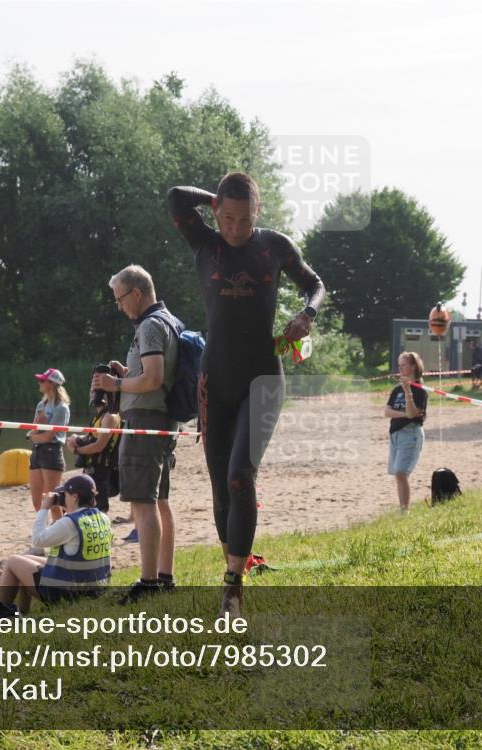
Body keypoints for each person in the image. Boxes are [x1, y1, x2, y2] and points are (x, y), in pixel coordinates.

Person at [167, 173, 325, 616]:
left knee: (241, 475)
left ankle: (232, 588)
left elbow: (315, 285)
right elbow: (176, 197)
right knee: (221, 486)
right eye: (227, 218)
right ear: (216, 211)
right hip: (213, 382)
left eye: (244, 219)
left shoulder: (274, 247)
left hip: (263, 379)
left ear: (259, 213)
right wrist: (215, 198)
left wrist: (306, 314)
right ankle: (233, 564)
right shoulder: (206, 244)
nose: (235, 229)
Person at [91, 265, 179, 603]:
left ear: (136, 294)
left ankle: (149, 582)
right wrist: (128, 374)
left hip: (146, 420)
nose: (119, 306)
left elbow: (154, 379)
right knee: (159, 501)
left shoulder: (150, 325)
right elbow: (154, 375)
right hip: (161, 419)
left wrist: (116, 384)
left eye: (120, 299)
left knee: (143, 503)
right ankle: (164, 576)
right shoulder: (167, 321)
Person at [0, 474, 110, 620]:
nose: (63, 497)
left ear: (75, 496)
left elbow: (38, 540)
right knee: (25, 560)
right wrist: (56, 510)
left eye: (65, 494)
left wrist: (44, 508)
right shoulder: (102, 518)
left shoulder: (71, 523)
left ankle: (0, 610)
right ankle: (22, 611)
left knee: (13, 561)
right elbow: (65, 537)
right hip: (95, 588)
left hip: (68, 592)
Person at [384, 352, 428, 514]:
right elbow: (387, 411)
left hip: (411, 434)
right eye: (399, 365)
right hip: (395, 433)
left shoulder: (420, 391)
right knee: (397, 473)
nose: (400, 368)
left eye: (403, 365)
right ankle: (403, 508)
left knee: (401, 472)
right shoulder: (397, 389)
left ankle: (404, 510)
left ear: (413, 366)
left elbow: (413, 413)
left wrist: (408, 391)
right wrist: (403, 414)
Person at [67, 388, 122, 515]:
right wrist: (76, 439)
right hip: (91, 465)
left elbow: (99, 445)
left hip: (101, 467)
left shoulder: (110, 416)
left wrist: (76, 450)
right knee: (87, 504)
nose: (90, 395)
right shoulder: (99, 415)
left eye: (93, 392)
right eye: (90, 391)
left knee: (100, 508)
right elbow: (90, 437)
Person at [28, 368, 70, 515]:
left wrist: (33, 436)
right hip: (37, 451)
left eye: (42, 380)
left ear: (51, 384)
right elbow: (34, 429)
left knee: (52, 500)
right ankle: (44, 531)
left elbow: (48, 437)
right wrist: (35, 435)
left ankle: (59, 529)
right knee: (36, 501)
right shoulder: (41, 405)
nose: (39, 382)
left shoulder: (61, 408)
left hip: (51, 452)